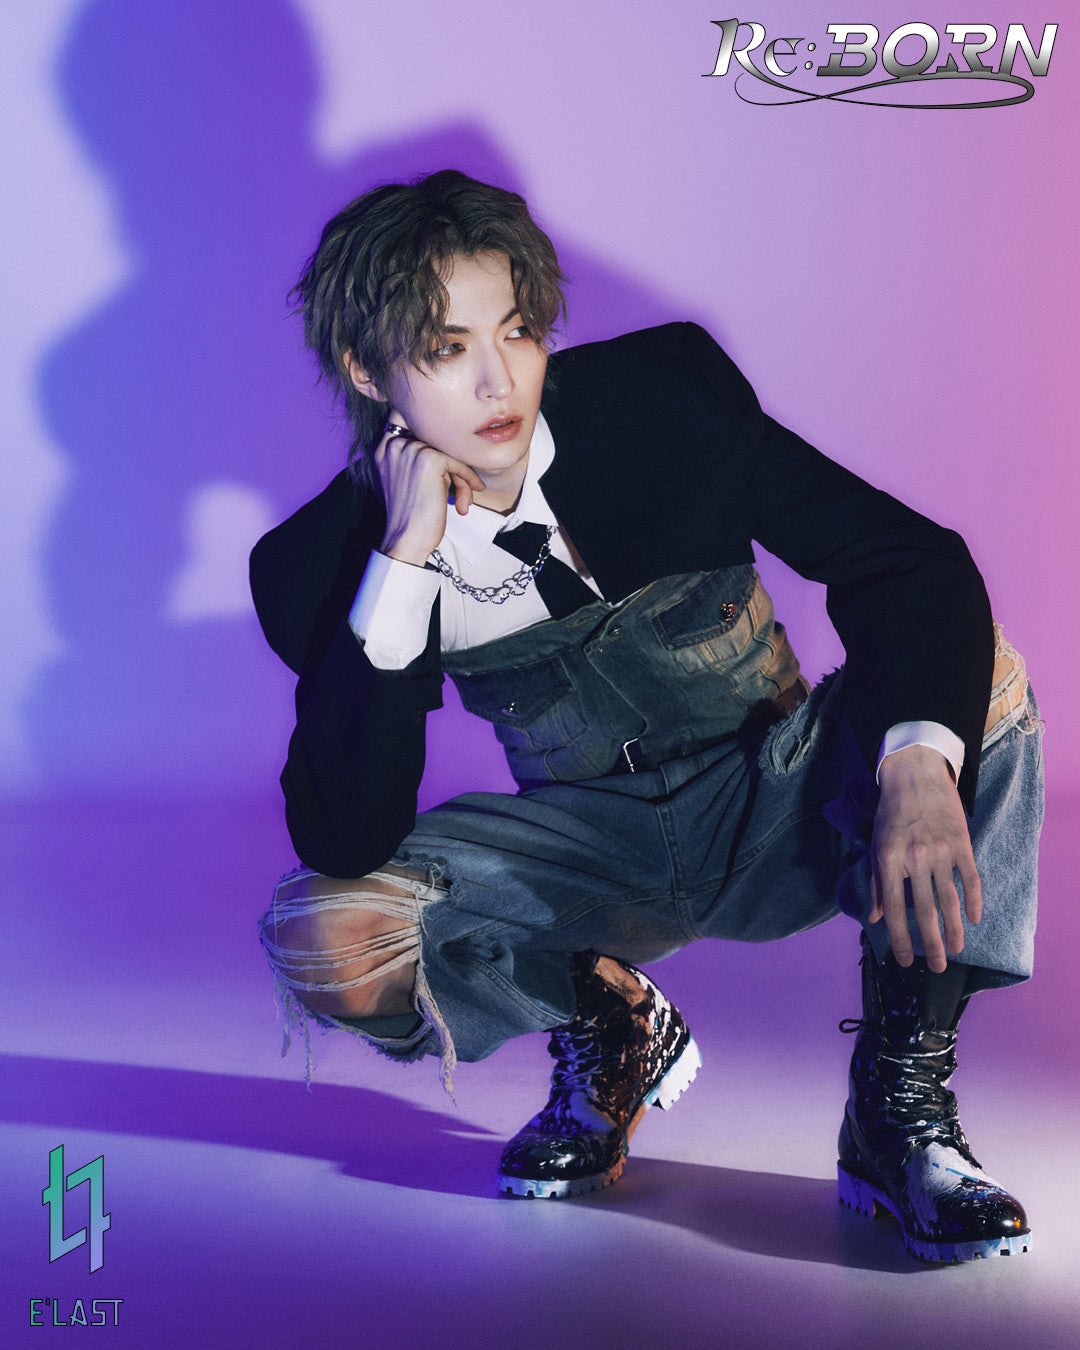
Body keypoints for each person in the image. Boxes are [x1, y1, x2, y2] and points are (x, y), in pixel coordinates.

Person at [250, 169, 1043, 1263]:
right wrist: (403, 560)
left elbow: (911, 563)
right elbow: (345, 834)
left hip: (779, 797)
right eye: (444, 349)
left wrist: (914, 767)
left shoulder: (666, 401)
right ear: (364, 368)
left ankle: (895, 1110)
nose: (498, 380)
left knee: (975, 684)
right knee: (323, 930)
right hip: (593, 855)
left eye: (517, 330)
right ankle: (610, 1022)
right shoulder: (319, 564)